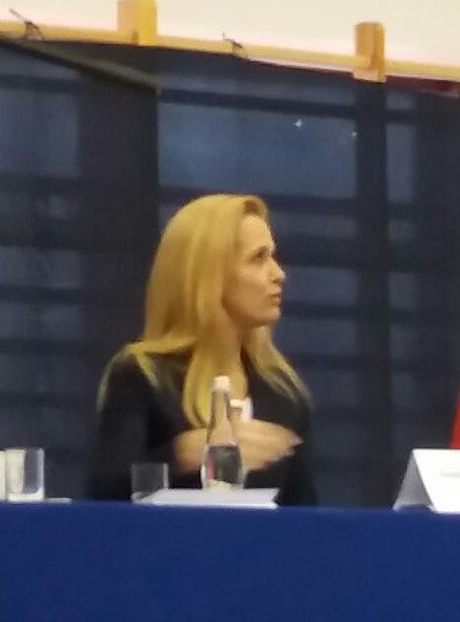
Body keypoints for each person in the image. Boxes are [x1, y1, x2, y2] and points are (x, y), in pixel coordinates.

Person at [87, 193, 316, 503]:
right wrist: (185, 453)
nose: (279, 274)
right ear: (209, 275)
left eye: (273, 257)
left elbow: (304, 516)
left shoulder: (284, 394)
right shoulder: (142, 376)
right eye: (258, 258)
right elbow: (104, 496)